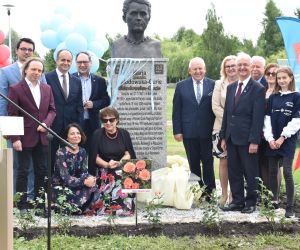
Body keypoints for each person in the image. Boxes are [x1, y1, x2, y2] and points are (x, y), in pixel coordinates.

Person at [0, 38, 47, 198]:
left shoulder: (40, 71)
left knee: (37, 167)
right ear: (17, 50)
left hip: (38, 130)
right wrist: (9, 131)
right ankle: (17, 200)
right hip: (16, 129)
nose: (27, 52)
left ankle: (33, 198)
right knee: (18, 166)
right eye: (23, 49)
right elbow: (3, 103)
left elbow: (45, 101)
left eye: (30, 50)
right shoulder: (6, 72)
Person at [7, 57, 56, 210]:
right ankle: (21, 206)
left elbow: (52, 110)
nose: (36, 72)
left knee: (41, 172)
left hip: (42, 138)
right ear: (26, 69)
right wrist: (15, 139)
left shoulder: (46, 88)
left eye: (40, 70)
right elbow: (12, 114)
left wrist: (46, 124)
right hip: (23, 138)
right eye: (33, 69)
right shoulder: (16, 89)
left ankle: (40, 205)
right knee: (23, 171)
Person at [220, 52, 265, 213]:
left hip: (248, 139)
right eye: (240, 65)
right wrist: (223, 136)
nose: (242, 67)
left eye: (246, 65)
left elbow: (258, 117)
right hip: (231, 138)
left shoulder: (258, 89)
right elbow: (227, 114)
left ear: (251, 67)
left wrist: (254, 141)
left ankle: (251, 202)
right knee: (234, 171)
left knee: (250, 172)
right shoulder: (232, 87)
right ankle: (237, 201)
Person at [172, 57, 216, 200]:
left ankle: (210, 192)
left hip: (208, 131)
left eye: (200, 68)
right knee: (193, 163)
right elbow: (176, 110)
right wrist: (177, 131)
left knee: (208, 163)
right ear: (189, 70)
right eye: (195, 69)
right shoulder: (181, 86)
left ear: (205, 69)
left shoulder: (214, 85)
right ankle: (197, 191)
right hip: (189, 132)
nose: (198, 71)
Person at [263, 66, 300, 218]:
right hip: (273, 141)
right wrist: (270, 138)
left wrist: (282, 137)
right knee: (272, 172)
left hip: (287, 141)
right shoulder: (273, 97)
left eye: (284, 77)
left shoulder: (297, 96)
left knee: (286, 172)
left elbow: (297, 121)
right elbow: (267, 120)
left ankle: (290, 207)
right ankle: (274, 201)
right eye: (279, 78)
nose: (282, 80)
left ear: (290, 78)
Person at [89, 107, 136, 215]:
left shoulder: (124, 134)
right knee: (112, 176)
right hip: (104, 168)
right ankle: (106, 208)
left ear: (117, 120)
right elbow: (94, 157)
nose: (108, 123)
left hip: (121, 166)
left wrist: (119, 162)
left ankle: (125, 208)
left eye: (111, 120)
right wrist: (107, 164)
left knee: (120, 174)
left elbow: (129, 153)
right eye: (105, 120)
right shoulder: (97, 134)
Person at [45, 49, 84, 172]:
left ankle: (68, 187)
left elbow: (79, 106)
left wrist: (78, 127)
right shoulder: (47, 78)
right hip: (52, 127)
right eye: (63, 60)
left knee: (70, 161)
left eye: (68, 60)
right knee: (50, 159)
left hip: (70, 129)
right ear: (57, 61)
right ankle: (50, 188)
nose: (65, 63)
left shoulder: (77, 81)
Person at [52, 123, 97, 214]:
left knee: (93, 185)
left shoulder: (82, 151)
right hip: (62, 186)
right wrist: (84, 181)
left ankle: (80, 208)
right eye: (72, 134)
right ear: (67, 137)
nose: (76, 136)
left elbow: (83, 172)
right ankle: (69, 208)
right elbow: (65, 178)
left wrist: (90, 178)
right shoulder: (61, 152)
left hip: (77, 183)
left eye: (78, 133)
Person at [212, 55, 238, 206]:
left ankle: (235, 194)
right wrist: (230, 121)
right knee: (224, 161)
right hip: (220, 128)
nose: (230, 68)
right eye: (227, 66)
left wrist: (236, 123)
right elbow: (215, 106)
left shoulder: (245, 84)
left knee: (237, 162)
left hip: (240, 130)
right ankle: (223, 194)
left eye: (233, 65)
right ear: (224, 68)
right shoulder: (219, 84)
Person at [73, 52, 110, 154]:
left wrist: (94, 104)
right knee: (75, 152)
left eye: (85, 62)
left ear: (90, 63)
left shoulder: (99, 80)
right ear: (76, 63)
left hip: (93, 123)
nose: (82, 65)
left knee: (94, 151)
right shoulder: (70, 79)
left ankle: (92, 170)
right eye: (79, 62)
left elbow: (106, 100)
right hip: (75, 122)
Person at [258, 63, 280, 190]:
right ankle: (266, 196)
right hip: (260, 134)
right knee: (263, 164)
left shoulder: (281, 93)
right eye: (268, 73)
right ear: (265, 75)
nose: (271, 76)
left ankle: (275, 198)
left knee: (274, 166)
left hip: (274, 134)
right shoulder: (261, 90)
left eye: (274, 73)